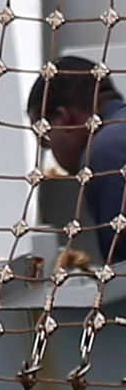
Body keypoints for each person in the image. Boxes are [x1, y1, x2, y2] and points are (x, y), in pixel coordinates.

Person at [32, 56, 126, 264]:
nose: (50, 149)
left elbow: (121, 270)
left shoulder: (103, 153)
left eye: (45, 140)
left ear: (64, 117)